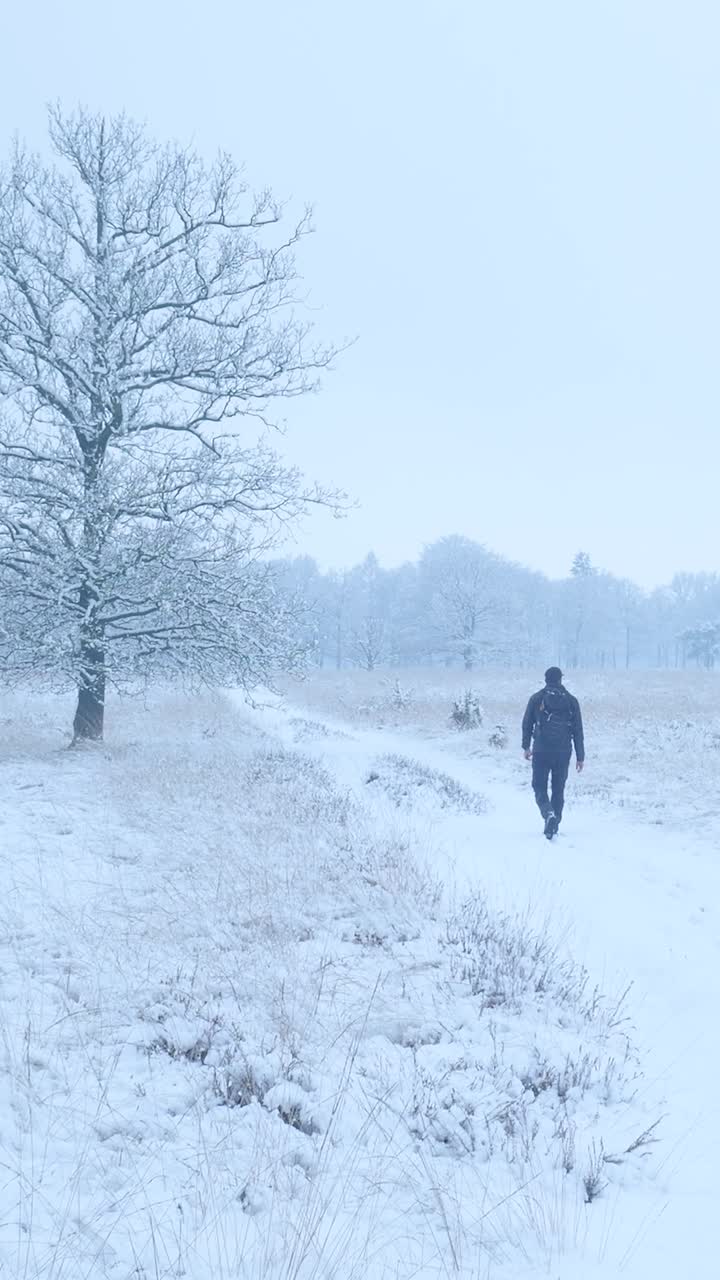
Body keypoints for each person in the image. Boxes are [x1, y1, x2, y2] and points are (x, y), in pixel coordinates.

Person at [521, 667, 584, 839]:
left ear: (546, 679)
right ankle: (555, 823)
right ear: (560, 679)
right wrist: (580, 756)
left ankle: (548, 814)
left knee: (539, 786)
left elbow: (527, 724)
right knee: (558, 788)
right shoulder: (571, 701)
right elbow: (578, 730)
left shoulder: (536, 698)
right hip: (563, 752)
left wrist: (526, 746)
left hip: (541, 750)